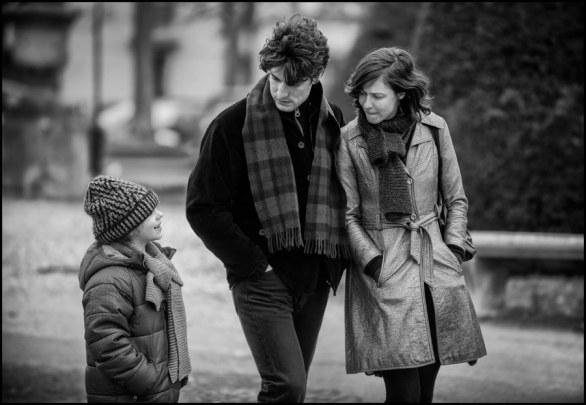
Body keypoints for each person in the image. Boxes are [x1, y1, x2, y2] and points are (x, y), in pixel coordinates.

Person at [185, 14, 350, 402]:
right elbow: (203, 207)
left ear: (317, 74)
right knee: (286, 386)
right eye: (274, 79)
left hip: (313, 277)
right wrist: (255, 266)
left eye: (293, 83)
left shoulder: (332, 122)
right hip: (263, 280)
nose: (281, 91)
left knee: (295, 389)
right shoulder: (231, 124)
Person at [336, 47, 487, 403]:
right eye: (361, 94)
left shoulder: (434, 129)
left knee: (424, 393)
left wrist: (452, 248)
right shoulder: (349, 139)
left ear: (401, 93)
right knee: (403, 393)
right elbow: (347, 213)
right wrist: (374, 262)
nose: (366, 103)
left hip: (435, 269)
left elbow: (456, 199)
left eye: (377, 95)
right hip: (384, 273)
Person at [79, 175, 191, 403]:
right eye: (150, 212)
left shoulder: (150, 265)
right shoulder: (109, 282)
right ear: (129, 225)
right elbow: (108, 346)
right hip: (130, 394)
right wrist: (151, 382)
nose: (160, 214)